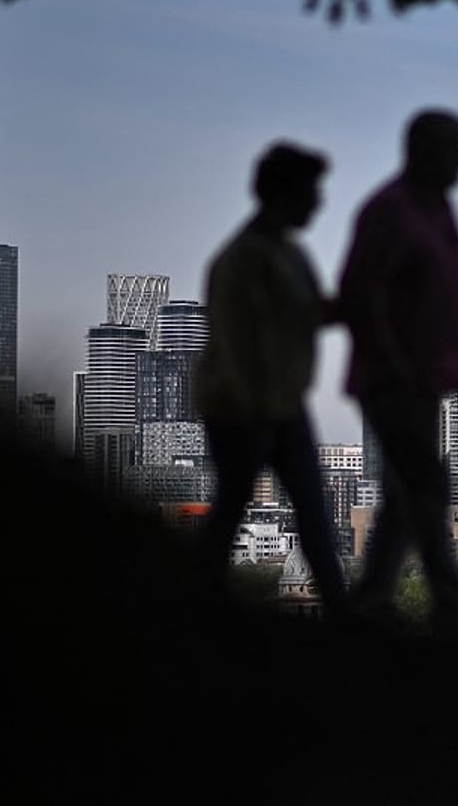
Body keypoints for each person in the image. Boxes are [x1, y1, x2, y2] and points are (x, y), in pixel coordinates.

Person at [193, 141, 351, 620]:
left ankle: (341, 615)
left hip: (281, 404)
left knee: (311, 511)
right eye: (311, 192)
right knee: (235, 509)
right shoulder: (241, 259)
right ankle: (195, 606)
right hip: (241, 408)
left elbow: (309, 313)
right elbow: (238, 343)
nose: (319, 203)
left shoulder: (291, 254)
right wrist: (258, 410)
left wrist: (361, 299)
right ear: (283, 193)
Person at [338, 109, 458, 629]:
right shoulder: (389, 211)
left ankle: (371, 598)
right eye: (456, 150)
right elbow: (359, 291)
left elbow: (452, 296)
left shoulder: (438, 210)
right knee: (427, 482)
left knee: (408, 491)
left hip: (425, 382)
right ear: (425, 152)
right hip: (390, 380)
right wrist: (393, 361)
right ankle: (450, 605)